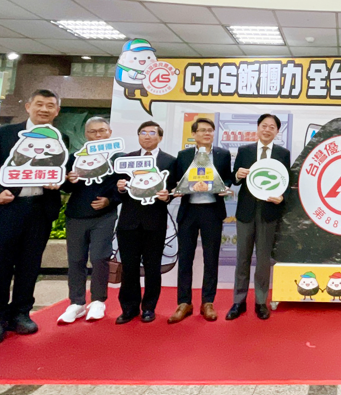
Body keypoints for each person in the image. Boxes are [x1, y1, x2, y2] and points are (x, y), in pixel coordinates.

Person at [0, 89, 68, 346]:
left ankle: (22, 313)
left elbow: (62, 169)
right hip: (5, 208)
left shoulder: (61, 138)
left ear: (57, 111)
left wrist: (60, 181)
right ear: (28, 106)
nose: (44, 109)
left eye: (50, 105)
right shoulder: (5, 134)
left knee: (30, 264)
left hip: (39, 209)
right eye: (39, 104)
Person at [56, 117, 120, 324]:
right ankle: (76, 302)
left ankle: (98, 300)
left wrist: (110, 200)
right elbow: (65, 187)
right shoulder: (74, 158)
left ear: (110, 132)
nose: (98, 135)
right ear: (86, 135)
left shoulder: (118, 158)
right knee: (76, 260)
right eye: (93, 132)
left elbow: (126, 187)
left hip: (104, 216)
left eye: (102, 130)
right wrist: (69, 181)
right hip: (76, 215)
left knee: (100, 258)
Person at [169, 118, 233, 323]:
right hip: (189, 211)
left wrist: (225, 187)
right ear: (194, 134)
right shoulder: (184, 155)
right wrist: (177, 189)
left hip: (212, 211)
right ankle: (184, 302)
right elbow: (177, 180)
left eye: (210, 130)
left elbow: (228, 177)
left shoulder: (222, 154)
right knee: (185, 258)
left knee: (211, 258)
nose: (207, 133)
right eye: (203, 130)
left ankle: (208, 302)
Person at [227, 114, 291, 320]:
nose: (267, 129)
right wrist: (237, 175)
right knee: (242, 258)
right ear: (258, 128)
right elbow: (233, 179)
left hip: (268, 213)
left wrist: (282, 197)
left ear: (277, 131)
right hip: (246, 212)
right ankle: (238, 301)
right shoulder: (244, 150)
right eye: (264, 125)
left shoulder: (282, 153)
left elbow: (287, 182)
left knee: (263, 260)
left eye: (272, 127)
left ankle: (261, 302)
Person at [113, 121, 176, 324]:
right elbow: (117, 192)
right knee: (129, 267)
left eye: (152, 132)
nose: (147, 136)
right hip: (128, 222)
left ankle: (149, 307)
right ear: (138, 136)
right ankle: (129, 308)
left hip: (155, 222)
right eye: (143, 132)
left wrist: (168, 196)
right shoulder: (127, 160)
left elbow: (174, 189)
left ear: (160, 137)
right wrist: (120, 188)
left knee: (152, 267)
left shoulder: (170, 161)